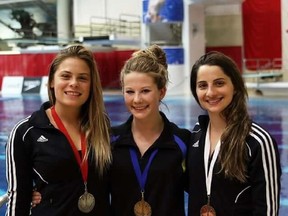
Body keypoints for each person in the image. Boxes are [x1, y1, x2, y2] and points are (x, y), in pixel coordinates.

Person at [5, 44, 112, 215]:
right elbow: (18, 199)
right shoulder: (26, 132)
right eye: (66, 76)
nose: (74, 84)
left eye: (83, 78)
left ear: (91, 85)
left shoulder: (101, 125)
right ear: (52, 81)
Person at [186, 51, 282, 216]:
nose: (210, 93)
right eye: (202, 85)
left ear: (235, 86)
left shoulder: (258, 141)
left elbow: (267, 211)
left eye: (219, 83)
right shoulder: (196, 134)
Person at [109, 44, 191, 215]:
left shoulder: (183, 141)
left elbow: (203, 189)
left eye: (145, 91)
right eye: (130, 91)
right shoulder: (110, 139)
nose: (137, 99)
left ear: (161, 92)